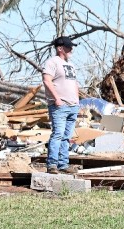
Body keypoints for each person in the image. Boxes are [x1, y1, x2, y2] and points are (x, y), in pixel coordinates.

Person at [42, 36, 80, 174]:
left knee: (66, 137)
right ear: (60, 48)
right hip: (60, 105)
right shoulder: (52, 62)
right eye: (68, 47)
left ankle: (63, 164)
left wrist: (77, 101)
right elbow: (47, 80)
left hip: (72, 105)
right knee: (58, 134)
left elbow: (74, 83)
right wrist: (56, 98)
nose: (71, 49)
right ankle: (52, 164)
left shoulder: (70, 65)